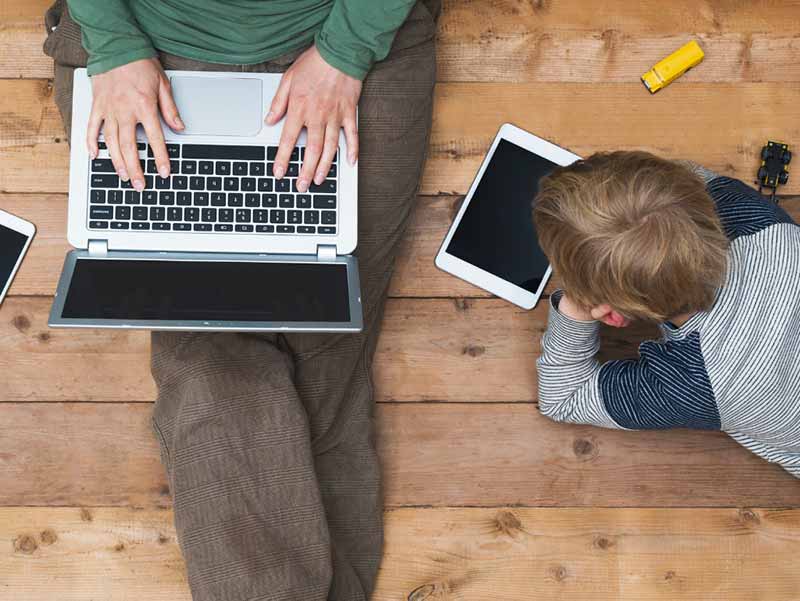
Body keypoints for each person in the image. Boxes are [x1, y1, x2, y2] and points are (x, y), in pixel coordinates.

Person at [43, 1, 440, 599]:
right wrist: (116, 46)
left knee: (328, 346)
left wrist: (344, 51)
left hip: (353, 33)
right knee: (206, 358)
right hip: (146, 37)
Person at [533, 151, 800, 478]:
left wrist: (577, 306)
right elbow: (686, 177)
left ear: (614, 317)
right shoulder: (757, 218)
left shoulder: (691, 382)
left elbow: (563, 399)